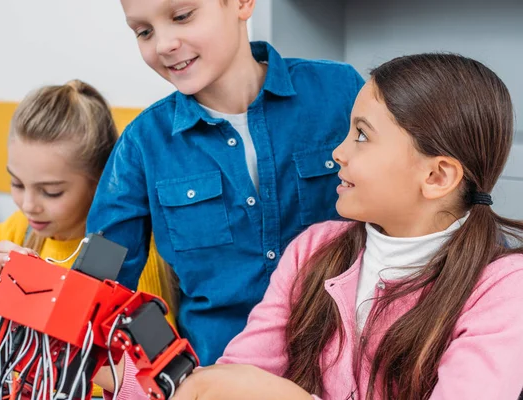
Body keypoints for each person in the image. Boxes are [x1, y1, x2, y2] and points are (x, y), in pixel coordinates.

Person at [159, 53, 523, 400]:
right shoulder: (313, 249)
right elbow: (238, 378)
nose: (338, 151)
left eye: (361, 135)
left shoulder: (504, 290)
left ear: (436, 176)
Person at [86, 0, 364, 369]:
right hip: (220, 377)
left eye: (182, 16)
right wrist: (172, 367)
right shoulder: (142, 144)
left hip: (348, 370)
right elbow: (99, 286)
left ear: (242, 3)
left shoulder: (341, 92)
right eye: (144, 32)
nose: (164, 44)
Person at [0, 80, 173, 397]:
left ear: (101, 183)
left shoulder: (132, 256)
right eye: (16, 184)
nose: (28, 205)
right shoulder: (21, 230)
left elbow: (144, 377)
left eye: (51, 191)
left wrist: (11, 350)